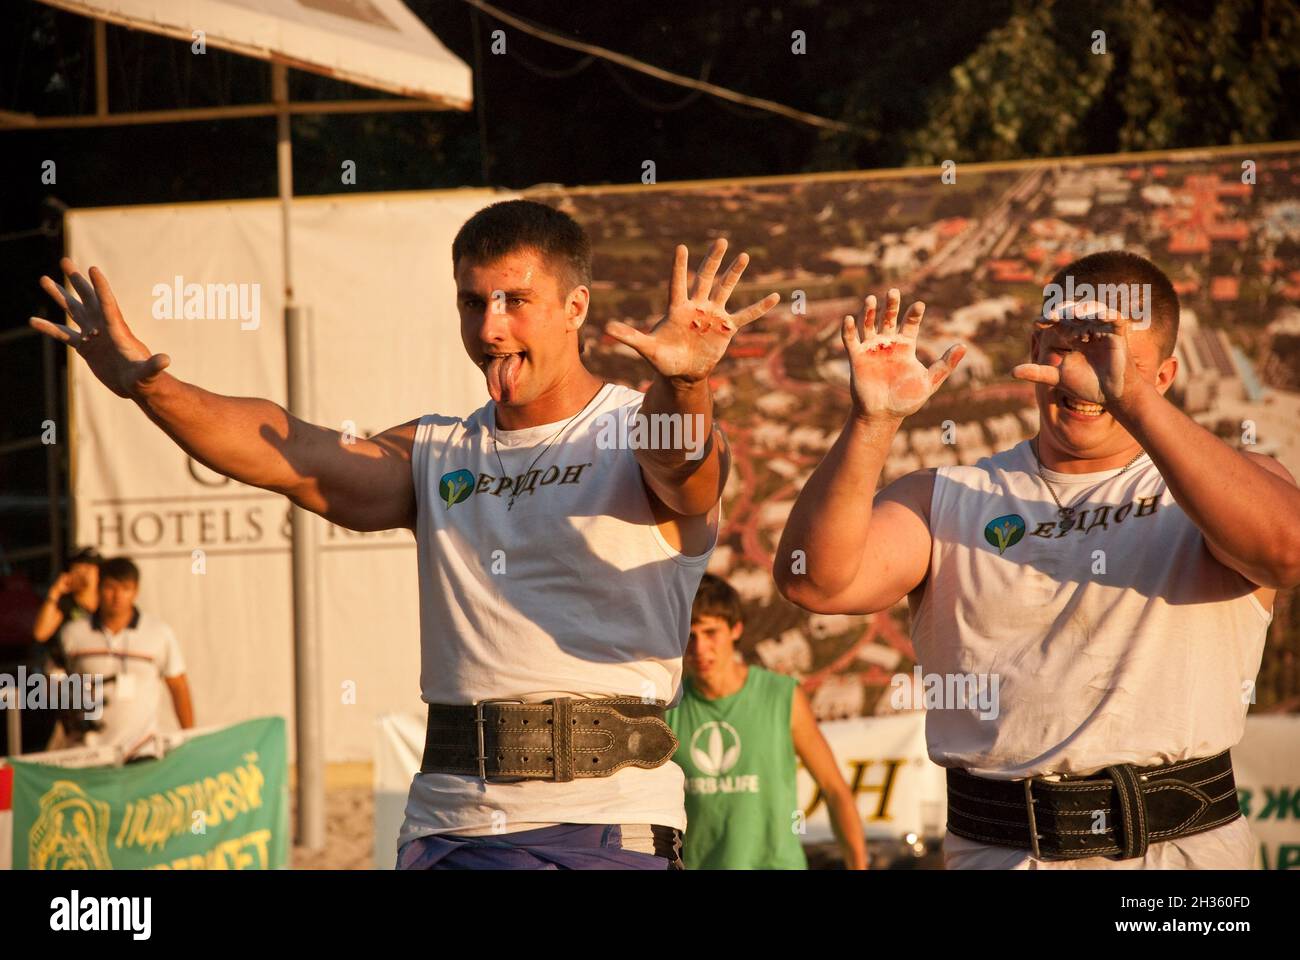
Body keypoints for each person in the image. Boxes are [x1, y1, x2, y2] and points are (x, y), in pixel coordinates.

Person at [30, 199, 779, 868]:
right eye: (471, 302)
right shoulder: (439, 450)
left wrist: (685, 382)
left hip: (603, 828)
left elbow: (688, 474)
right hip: (449, 829)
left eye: (516, 301)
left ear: (575, 305)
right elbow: (288, 453)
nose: (490, 328)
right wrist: (149, 386)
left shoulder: (638, 427)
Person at [776, 251, 1300, 869]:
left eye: (1114, 355)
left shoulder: (1214, 490)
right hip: (1002, 852)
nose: (1085, 374)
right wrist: (872, 421)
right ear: (1035, 346)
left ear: (1163, 376)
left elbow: (1286, 552)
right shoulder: (946, 498)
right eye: (1067, 347)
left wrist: (1131, 400)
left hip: (1180, 861)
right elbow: (814, 581)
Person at [666, 574, 868, 869]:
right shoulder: (669, 705)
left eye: (711, 633)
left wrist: (858, 864)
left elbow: (834, 788)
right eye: (691, 635)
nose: (700, 649)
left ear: (736, 629)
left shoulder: (781, 696)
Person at [57, 556, 194, 760]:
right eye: (110, 588)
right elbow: (57, 687)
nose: (117, 596)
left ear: (136, 591)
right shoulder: (73, 634)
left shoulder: (158, 633)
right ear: (99, 588)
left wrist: (190, 739)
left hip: (142, 750)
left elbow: (178, 686)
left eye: (125, 588)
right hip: (88, 753)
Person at [33, 546, 101, 646]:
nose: (87, 574)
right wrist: (54, 593)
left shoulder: (106, 600)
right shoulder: (64, 604)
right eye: (82, 568)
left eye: (91, 568)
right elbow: (40, 634)